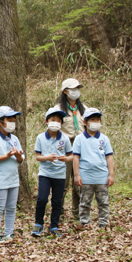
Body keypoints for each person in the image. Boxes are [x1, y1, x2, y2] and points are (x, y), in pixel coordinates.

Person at [0, 106, 24, 243]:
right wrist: (5, 156)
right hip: (0, 179)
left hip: (13, 178)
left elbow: (21, 159)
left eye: (14, 119)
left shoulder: (15, 139)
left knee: (11, 208)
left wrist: (18, 155)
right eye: (9, 119)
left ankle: (9, 233)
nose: (13, 122)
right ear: (0, 122)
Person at [31, 109, 73, 238]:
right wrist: (47, 158)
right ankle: (38, 223)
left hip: (60, 174)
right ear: (46, 121)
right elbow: (38, 157)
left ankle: (54, 225)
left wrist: (65, 159)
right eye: (53, 120)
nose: (55, 123)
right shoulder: (40, 137)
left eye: (58, 121)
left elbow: (71, 155)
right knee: (42, 198)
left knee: (57, 201)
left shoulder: (65, 139)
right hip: (45, 173)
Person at [72, 108, 115, 228]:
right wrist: (76, 175)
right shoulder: (79, 139)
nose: (96, 122)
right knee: (85, 202)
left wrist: (111, 175)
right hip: (86, 177)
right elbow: (76, 158)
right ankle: (84, 222)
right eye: (92, 119)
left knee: (103, 202)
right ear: (85, 122)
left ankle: (103, 223)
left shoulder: (104, 139)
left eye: (98, 119)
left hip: (102, 177)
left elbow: (109, 157)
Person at [54, 78, 86, 223]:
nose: (76, 91)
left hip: (81, 148)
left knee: (79, 184)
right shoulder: (58, 110)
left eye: (78, 88)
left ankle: (78, 215)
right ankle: (59, 216)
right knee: (63, 184)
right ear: (65, 91)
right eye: (73, 89)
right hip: (64, 149)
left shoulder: (84, 109)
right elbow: (53, 132)